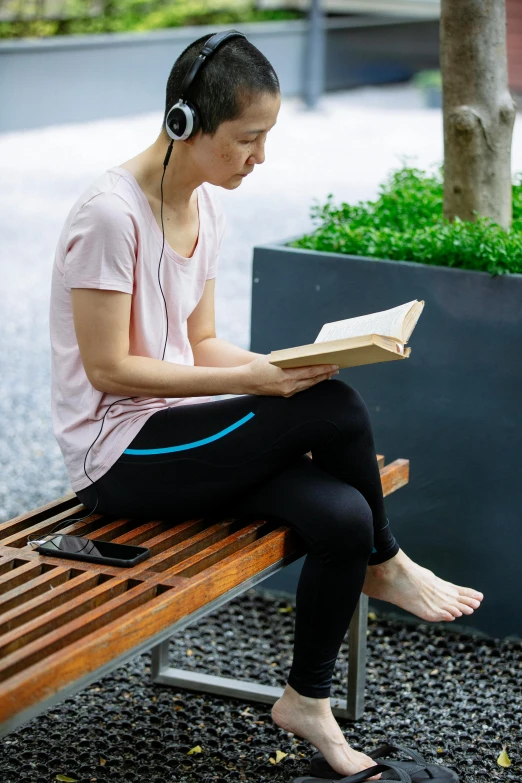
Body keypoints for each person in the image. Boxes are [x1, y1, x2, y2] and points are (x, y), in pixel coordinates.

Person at [49, 31, 484, 782]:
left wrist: (278, 367)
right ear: (186, 125)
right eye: (248, 139)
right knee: (337, 408)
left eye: (267, 138)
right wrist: (262, 386)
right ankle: (389, 563)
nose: (260, 158)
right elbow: (109, 369)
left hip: (177, 440)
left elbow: (203, 341)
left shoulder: (205, 207)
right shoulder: (109, 217)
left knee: (342, 515)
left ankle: (305, 698)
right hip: (119, 456)